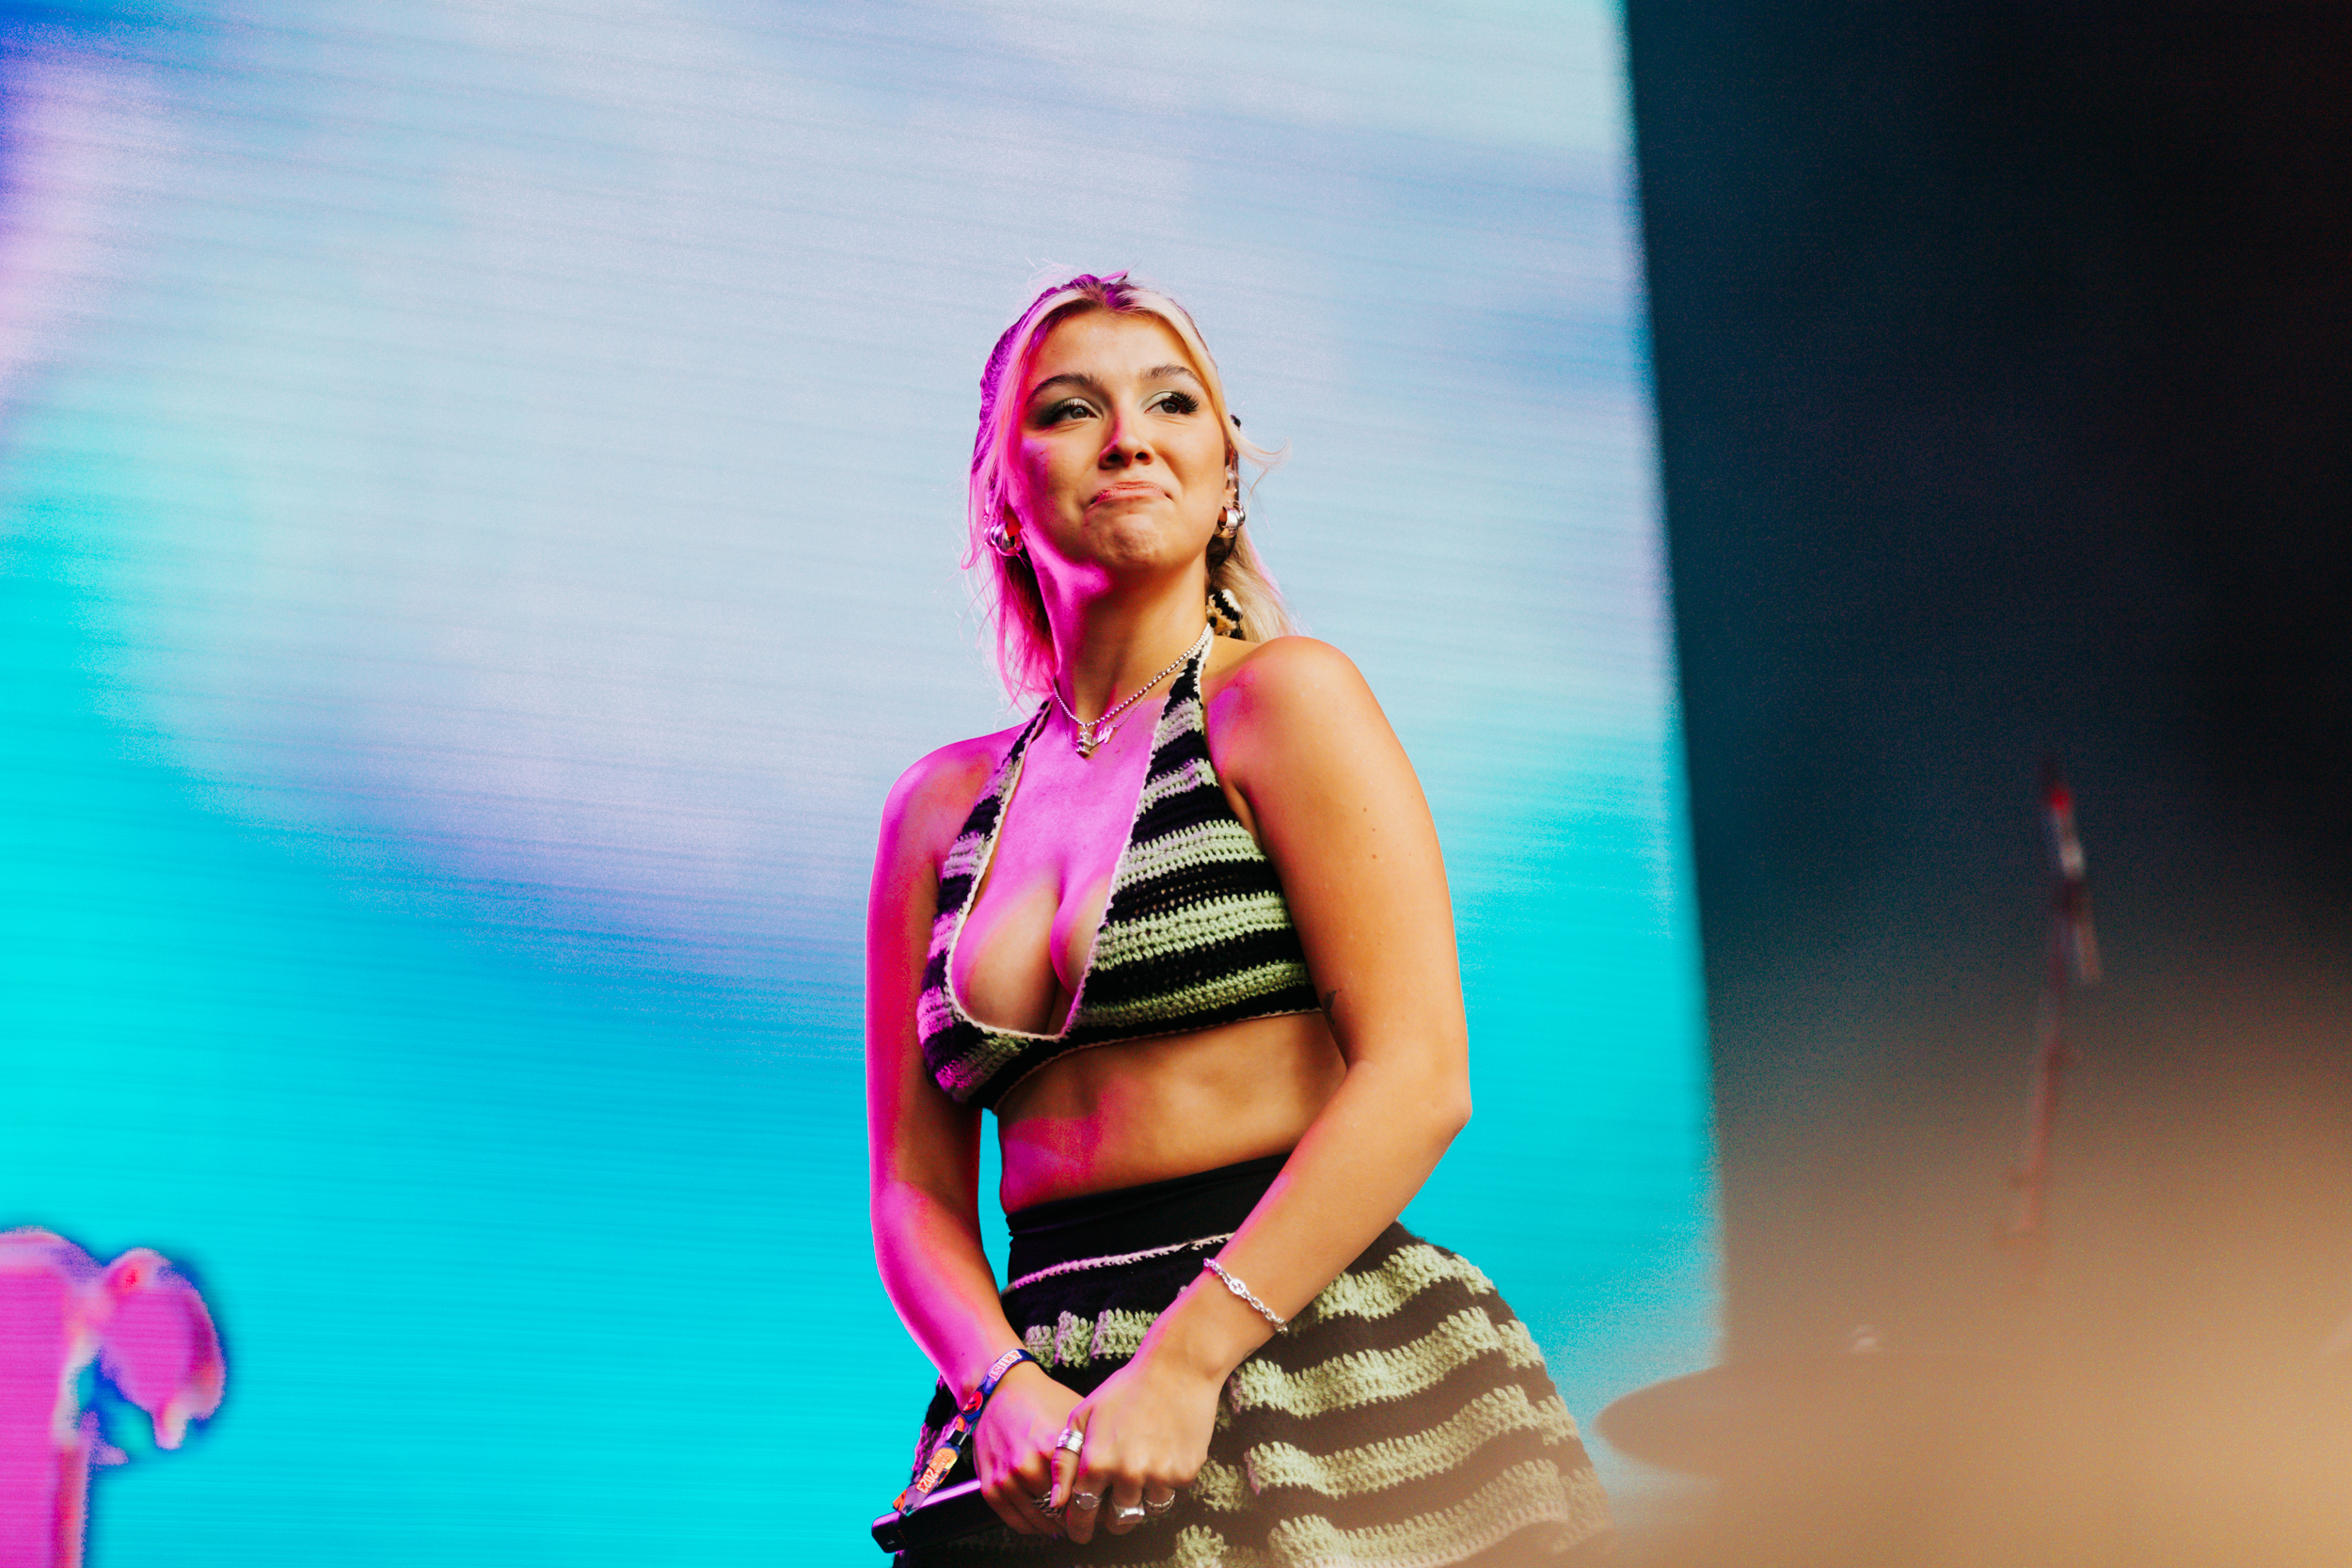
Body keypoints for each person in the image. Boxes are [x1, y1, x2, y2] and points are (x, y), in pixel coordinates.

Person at [867, 272, 1612, 1564]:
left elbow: (1420, 1074)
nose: (1128, 438)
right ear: (1001, 495)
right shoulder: (939, 807)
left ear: (1225, 480)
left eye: (1172, 403)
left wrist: (1189, 1359)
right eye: (1070, 409)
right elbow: (914, 1192)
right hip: (1046, 1420)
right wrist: (997, 1385)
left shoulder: (1281, 702)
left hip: (1314, 1357)